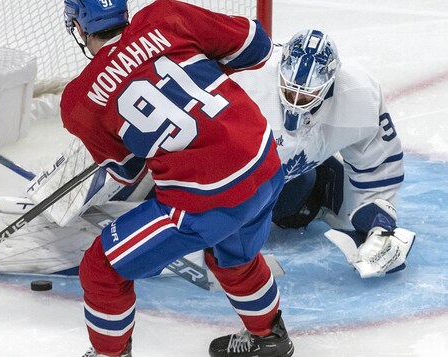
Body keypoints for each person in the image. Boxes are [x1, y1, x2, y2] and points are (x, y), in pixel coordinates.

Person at [61, 1, 293, 356]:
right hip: (265, 163)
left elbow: (129, 172)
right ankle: (270, 337)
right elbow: (257, 46)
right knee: (234, 254)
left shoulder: (79, 101)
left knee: (102, 267)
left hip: (205, 202)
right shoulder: (165, 15)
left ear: (79, 27)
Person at [230, 29, 416, 278]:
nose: (296, 101)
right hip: (233, 179)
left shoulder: (359, 95)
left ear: (330, 85)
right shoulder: (244, 80)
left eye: (307, 94)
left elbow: (378, 165)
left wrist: (380, 227)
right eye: (289, 90)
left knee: (316, 210)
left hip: (291, 177)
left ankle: (317, 196)